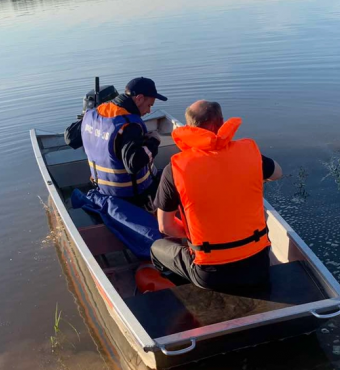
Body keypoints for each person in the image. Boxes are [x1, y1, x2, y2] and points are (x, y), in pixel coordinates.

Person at [150, 100, 283, 291]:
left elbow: (166, 226)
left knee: (156, 248)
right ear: (221, 122)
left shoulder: (175, 168)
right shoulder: (248, 152)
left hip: (210, 275)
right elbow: (277, 172)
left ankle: (188, 293)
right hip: (258, 266)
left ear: (190, 128)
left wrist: (193, 237)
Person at [69, 77, 167, 211]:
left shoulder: (93, 114)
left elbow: (70, 138)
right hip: (132, 196)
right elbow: (134, 164)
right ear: (139, 98)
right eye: (149, 105)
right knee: (170, 178)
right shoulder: (129, 125)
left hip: (101, 188)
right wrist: (153, 142)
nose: (149, 111)